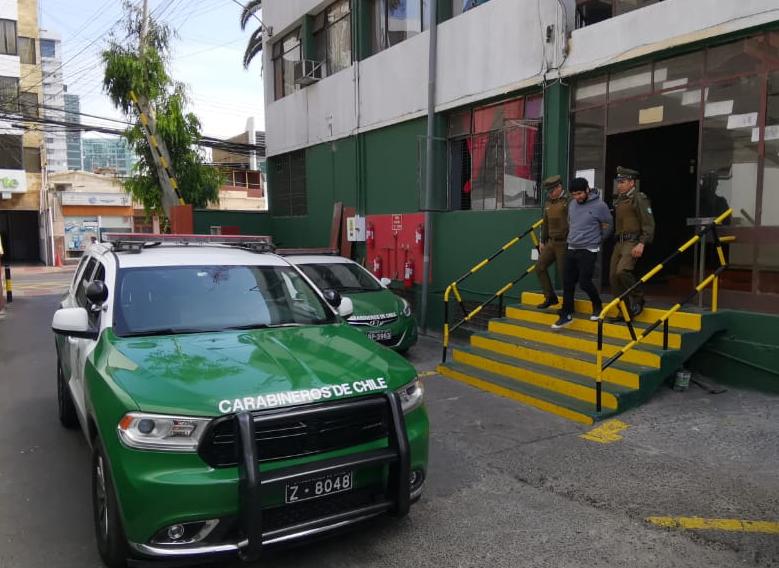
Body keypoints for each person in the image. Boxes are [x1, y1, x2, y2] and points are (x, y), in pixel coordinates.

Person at [552, 178, 613, 330]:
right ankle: (566, 314)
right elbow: (572, 222)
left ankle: (597, 304)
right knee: (567, 283)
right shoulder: (572, 205)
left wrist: (598, 240)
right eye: (574, 194)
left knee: (584, 282)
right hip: (572, 247)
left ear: (587, 190)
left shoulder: (600, 205)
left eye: (579, 193)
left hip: (588, 249)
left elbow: (608, 225)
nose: (577, 197)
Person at [609, 166, 655, 320]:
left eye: (622, 182)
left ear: (632, 183)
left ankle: (638, 296)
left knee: (622, 271)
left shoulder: (639, 198)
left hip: (632, 241)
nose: (619, 185)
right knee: (613, 279)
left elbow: (648, 223)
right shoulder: (620, 200)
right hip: (619, 242)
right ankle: (624, 312)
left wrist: (642, 243)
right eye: (618, 181)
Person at [535, 175, 570, 309]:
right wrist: (542, 241)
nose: (550, 193)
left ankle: (567, 304)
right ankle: (550, 297)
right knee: (539, 267)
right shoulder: (549, 202)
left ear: (559, 187)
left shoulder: (569, 201)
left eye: (552, 190)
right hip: (551, 242)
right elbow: (546, 223)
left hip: (564, 242)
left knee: (564, 275)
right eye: (548, 191)